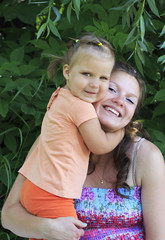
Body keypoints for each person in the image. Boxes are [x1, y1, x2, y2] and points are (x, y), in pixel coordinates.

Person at [2, 62, 165, 240]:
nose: (119, 101)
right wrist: (46, 227)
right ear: (91, 90)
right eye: (112, 89)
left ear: (132, 114)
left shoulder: (146, 156)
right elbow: (9, 214)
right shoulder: (52, 140)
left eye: (130, 100)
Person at [17, 32, 124, 237]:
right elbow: (99, 145)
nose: (95, 84)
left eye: (103, 78)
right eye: (87, 74)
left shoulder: (61, 96)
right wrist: (121, 131)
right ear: (67, 71)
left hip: (36, 188)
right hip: (53, 194)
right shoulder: (80, 107)